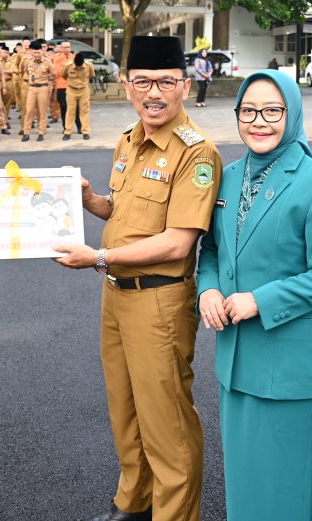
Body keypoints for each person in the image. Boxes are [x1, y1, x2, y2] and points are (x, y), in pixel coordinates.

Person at [53, 35, 222, 521]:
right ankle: (134, 502)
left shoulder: (197, 153)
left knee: (166, 420)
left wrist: (99, 256)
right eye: (143, 81)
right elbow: (122, 212)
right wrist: (88, 201)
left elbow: (177, 243)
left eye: (166, 82)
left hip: (160, 302)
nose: (154, 92)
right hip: (117, 295)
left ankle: (175, 514)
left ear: (184, 87)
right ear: (127, 86)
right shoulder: (129, 139)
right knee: (125, 411)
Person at [196, 70, 312, 521]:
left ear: (292, 112)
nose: (258, 121)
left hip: (288, 364)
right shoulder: (227, 176)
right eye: (248, 111)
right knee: (243, 485)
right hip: (235, 359)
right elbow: (211, 249)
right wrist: (207, 289)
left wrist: (259, 300)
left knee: (283, 491)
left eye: (272, 111)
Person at [22, 40, 55, 142]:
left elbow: (54, 74)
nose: (36, 54)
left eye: (38, 52)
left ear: (42, 51)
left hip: (43, 88)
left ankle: (41, 132)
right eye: (35, 52)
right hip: (31, 88)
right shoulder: (28, 61)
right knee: (29, 111)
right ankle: (26, 132)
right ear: (32, 52)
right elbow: (24, 71)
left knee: (42, 111)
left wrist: (46, 79)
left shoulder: (47, 62)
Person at [62, 51, 95, 140]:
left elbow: (91, 75)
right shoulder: (68, 66)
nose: (79, 67)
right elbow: (63, 75)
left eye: (80, 66)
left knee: (84, 111)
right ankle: (67, 132)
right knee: (70, 111)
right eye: (77, 66)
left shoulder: (89, 66)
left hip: (84, 90)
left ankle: (85, 132)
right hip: (71, 90)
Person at [53, 41, 72, 127]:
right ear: (61, 48)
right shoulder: (57, 58)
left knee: (75, 108)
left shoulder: (74, 57)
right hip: (62, 86)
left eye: (68, 47)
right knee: (64, 107)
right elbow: (58, 72)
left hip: (73, 86)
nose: (67, 49)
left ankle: (79, 126)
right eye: (65, 47)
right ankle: (65, 126)